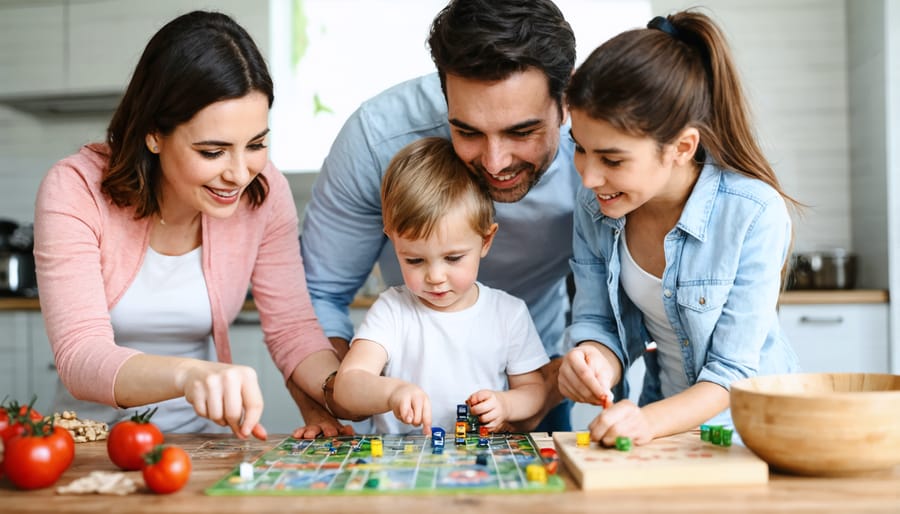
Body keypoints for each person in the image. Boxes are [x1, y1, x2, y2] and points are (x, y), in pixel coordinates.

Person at [33, 10, 351, 438]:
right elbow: (80, 356)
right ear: (154, 134)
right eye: (213, 151)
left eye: (256, 144)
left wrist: (346, 389)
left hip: (199, 445)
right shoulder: (75, 189)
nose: (240, 174)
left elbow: (293, 327)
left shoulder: (264, 189)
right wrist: (189, 375)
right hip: (89, 442)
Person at [301, 0, 580, 433]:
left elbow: (618, 298)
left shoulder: (601, 148)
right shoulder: (377, 139)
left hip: (538, 375)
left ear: (567, 103)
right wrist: (343, 397)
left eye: (521, 132)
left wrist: (540, 392)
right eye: (467, 131)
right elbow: (318, 292)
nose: (494, 162)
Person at [557, 10, 800, 447]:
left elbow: (732, 373)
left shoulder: (754, 212)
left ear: (682, 147)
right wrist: (593, 362)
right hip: (665, 428)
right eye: (579, 148)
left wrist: (646, 422)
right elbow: (599, 322)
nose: (589, 177)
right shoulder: (595, 205)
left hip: (754, 433)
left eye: (612, 159)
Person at [332, 137, 549, 434]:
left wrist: (506, 404)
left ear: (486, 240)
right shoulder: (392, 310)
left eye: (453, 258)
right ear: (393, 241)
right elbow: (346, 386)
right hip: (399, 470)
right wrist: (391, 393)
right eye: (415, 261)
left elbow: (535, 391)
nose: (435, 276)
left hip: (478, 463)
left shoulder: (508, 313)